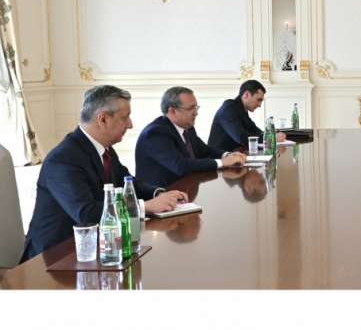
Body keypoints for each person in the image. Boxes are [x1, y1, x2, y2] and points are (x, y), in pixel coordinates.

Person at [21, 85, 186, 263]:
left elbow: (128, 182)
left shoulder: (104, 149)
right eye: (125, 117)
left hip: (97, 249)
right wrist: (145, 207)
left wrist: (159, 194)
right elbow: (86, 213)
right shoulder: (62, 159)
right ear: (103, 119)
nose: (130, 124)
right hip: (53, 258)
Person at [135, 86, 245, 187]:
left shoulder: (187, 127)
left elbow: (204, 150)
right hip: (163, 194)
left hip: (187, 188)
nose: (196, 113)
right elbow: (181, 166)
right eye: (191, 108)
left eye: (196, 108)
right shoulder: (155, 133)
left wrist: (227, 155)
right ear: (172, 111)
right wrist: (222, 162)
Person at [208, 79, 285, 152]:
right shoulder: (228, 108)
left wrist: (272, 135)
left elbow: (254, 129)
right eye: (258, 100)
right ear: (246, 94)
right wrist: (270, 138)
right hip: (219, 159)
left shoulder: (240, 109)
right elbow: (242, 137)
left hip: (234, 155)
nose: (260, 105)